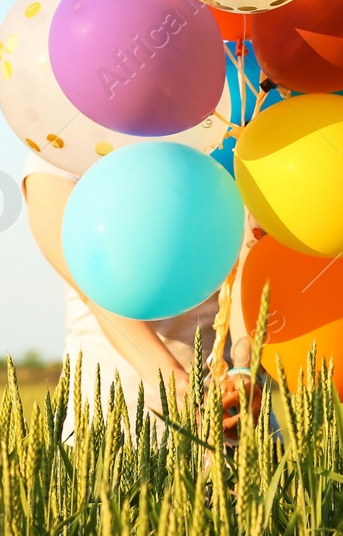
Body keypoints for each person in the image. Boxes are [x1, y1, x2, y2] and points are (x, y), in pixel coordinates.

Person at [21, 151, 259, 438]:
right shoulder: (60, 142)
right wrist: (179, 384)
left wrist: (245, 371)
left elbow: (252, 266)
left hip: (236, 412)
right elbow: (95, 291)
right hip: (115, 421)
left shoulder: (236, 125)